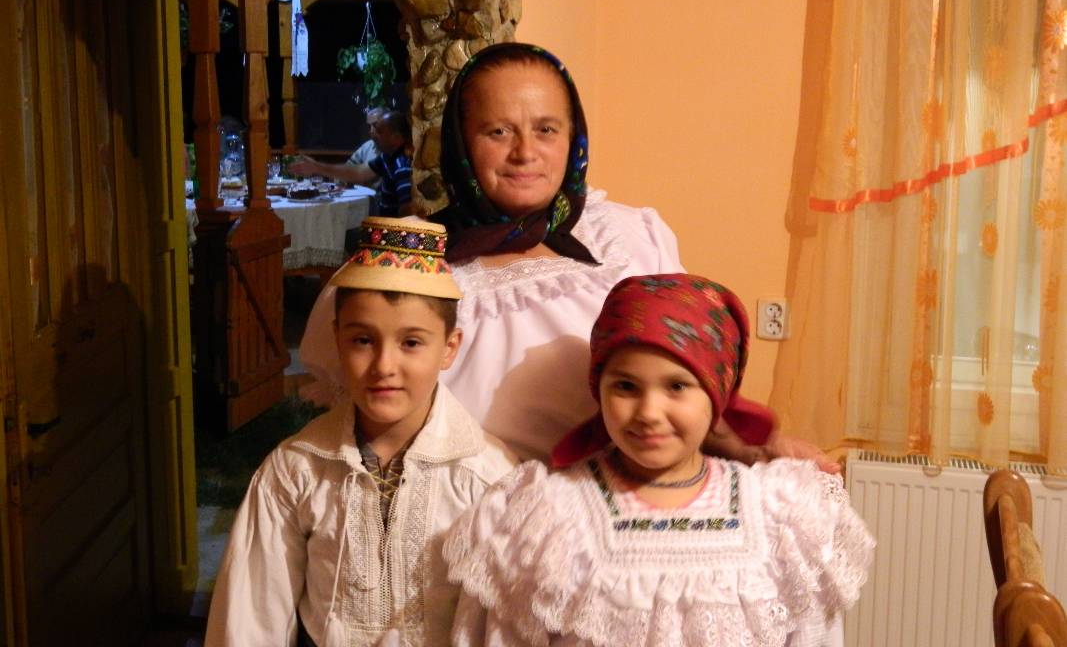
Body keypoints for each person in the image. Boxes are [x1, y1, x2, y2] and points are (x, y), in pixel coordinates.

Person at [300, 42, 838, 468]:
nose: (525, 152)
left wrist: (759, 449)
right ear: (460, 142)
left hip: (612, 533)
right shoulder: (406, 261)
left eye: (546, 130)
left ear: (572, 138)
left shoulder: (629, 240)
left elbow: (682, 386)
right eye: (497, 131)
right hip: (461, 542)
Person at [444, 274, 874, 646]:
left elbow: (814, 635)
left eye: (677, 387)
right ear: (599, 389)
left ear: (718, 395)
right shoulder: (550, 516)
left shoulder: (779, 514)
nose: (649, 412)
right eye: (626, 387)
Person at [204, 217, 516, 647]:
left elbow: (503, 621)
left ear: (449, 348)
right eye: (363, 341)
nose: (384, 366)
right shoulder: (296, 470)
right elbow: (251, 615)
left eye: (411, 343)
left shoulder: (489, 478)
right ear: (338, 339)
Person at [291, 109, 413, 215]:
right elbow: (358, 172)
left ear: (396, 138)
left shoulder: (402, 165)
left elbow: (407, 210)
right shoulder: (387, 157)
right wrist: (317, 167)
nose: (373, 135)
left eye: (380, 132)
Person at [347, 107, 385, 190]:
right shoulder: (368, 145)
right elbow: (348, 167)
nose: (371, 131)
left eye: (375, 125)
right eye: (369, 126)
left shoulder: (395, 149)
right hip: (365, 195)